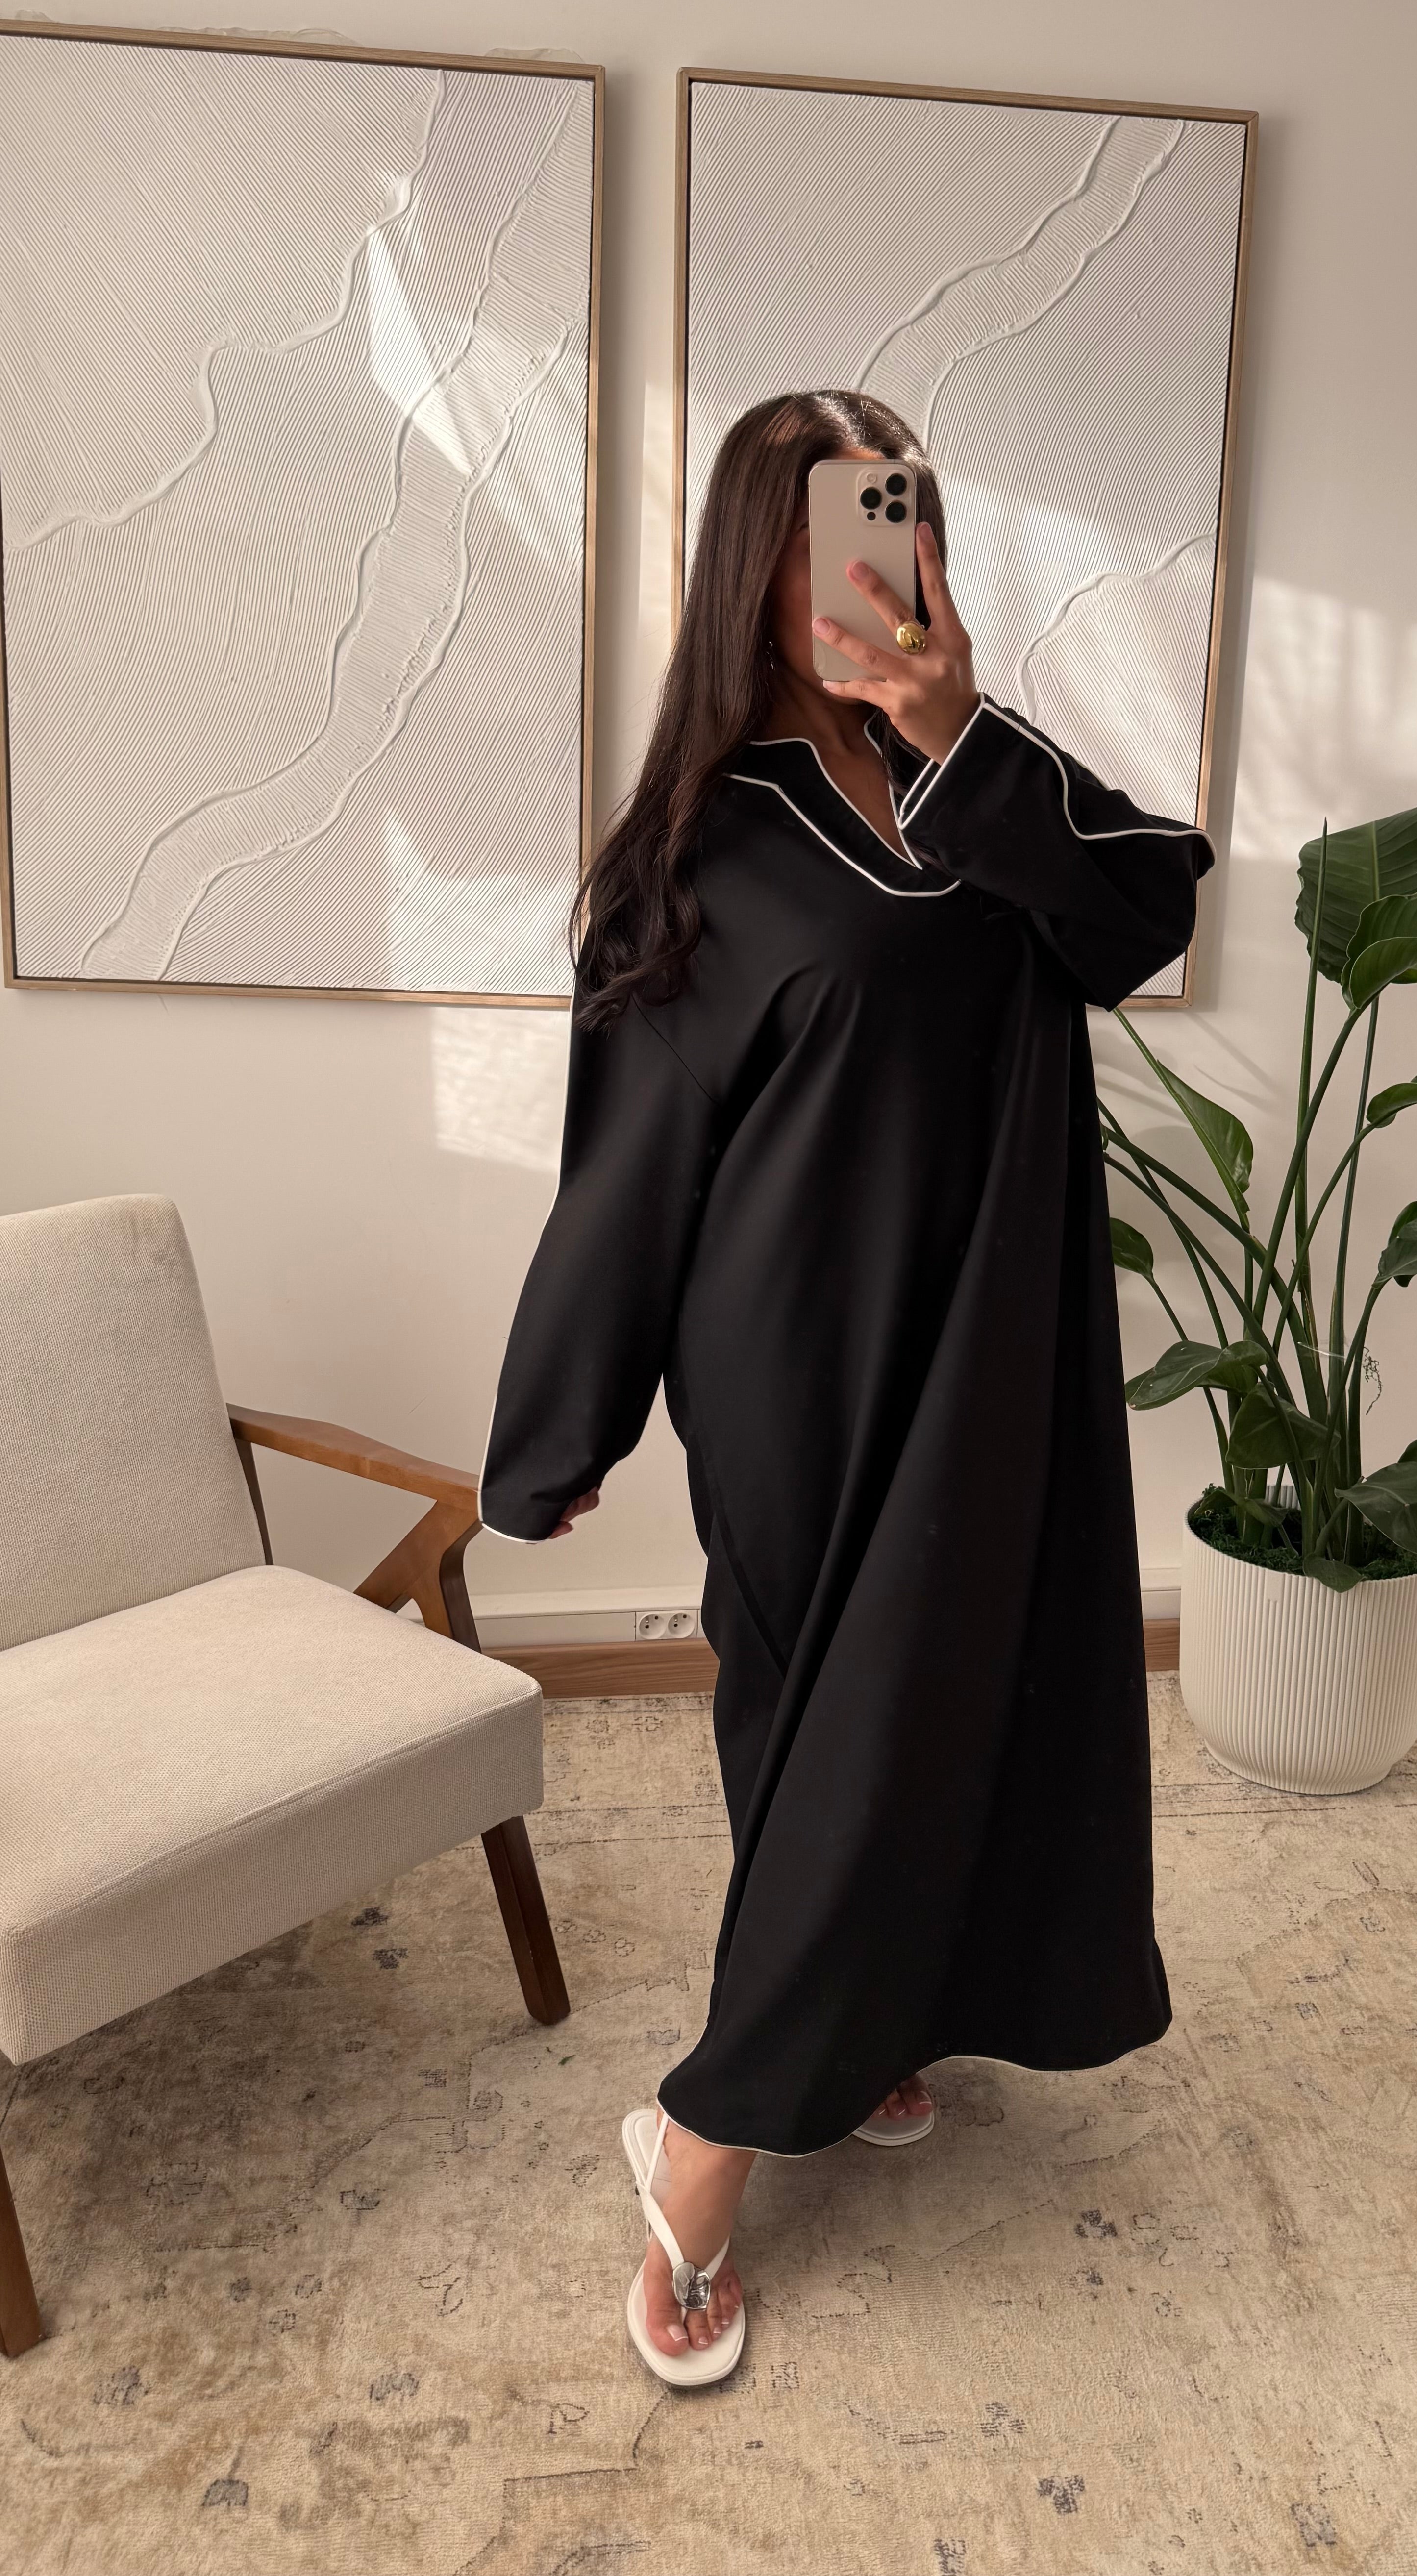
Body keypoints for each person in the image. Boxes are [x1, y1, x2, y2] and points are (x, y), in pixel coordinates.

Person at [479, 389, 1216, 2385]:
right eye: (842, 530)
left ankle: (841, 2041)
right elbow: (628, 1171)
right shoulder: (699, 852)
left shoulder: (981, 785)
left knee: (939, 1712)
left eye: (907, 524)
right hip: (793, 1364)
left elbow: (1145, 910)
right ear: (763, 561)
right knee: (821, 1722)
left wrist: (957, 729)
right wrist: (561, 1427)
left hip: (993, 1340)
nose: (884, 568)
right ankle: (712, 2134)